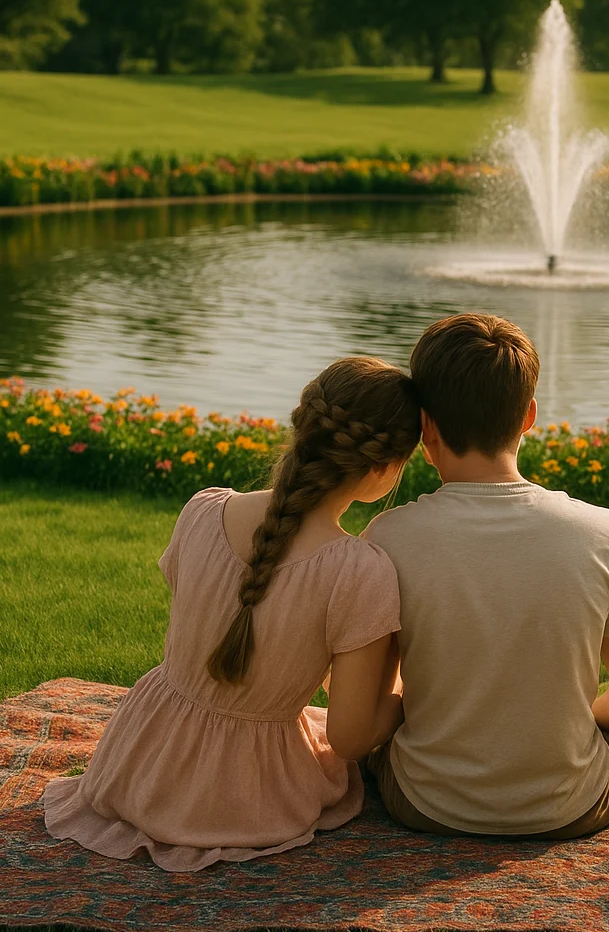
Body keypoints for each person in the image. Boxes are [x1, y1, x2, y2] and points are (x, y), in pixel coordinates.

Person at [42, 357, 419, 871]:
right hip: (249, 800)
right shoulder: (358, 569)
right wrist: (402, 704)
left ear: (301, 426)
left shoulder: (202, 509)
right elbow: (350, 738)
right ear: (383, 467)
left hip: (137, 764)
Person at [364, 313, 609, 838]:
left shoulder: (387, 537)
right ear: (528, 416)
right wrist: (555, 718)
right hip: (566, 807)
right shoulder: (604, 532)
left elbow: (370, 698)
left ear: (426, 427)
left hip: (423, 801)